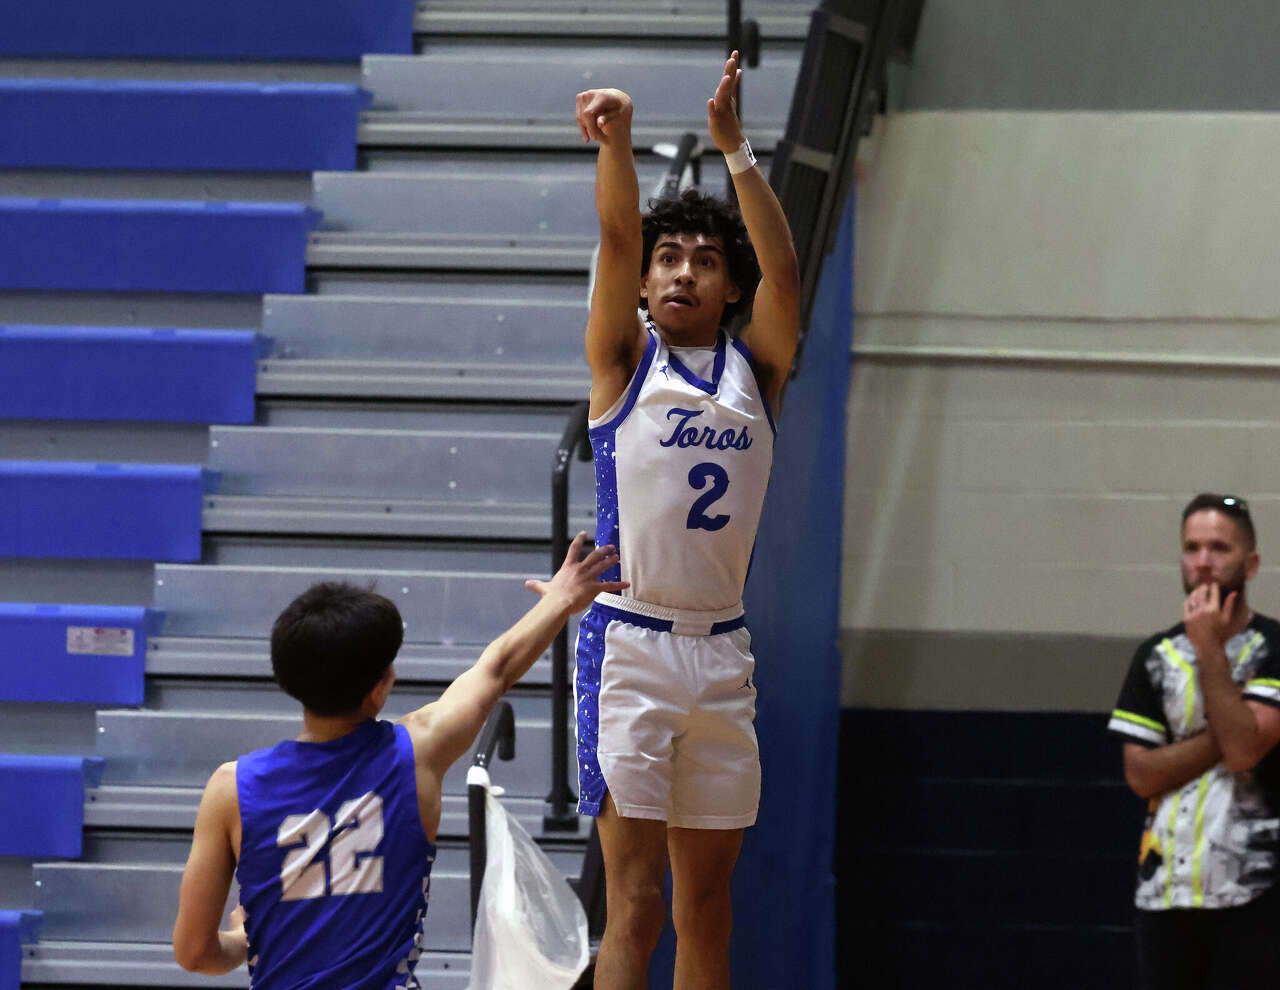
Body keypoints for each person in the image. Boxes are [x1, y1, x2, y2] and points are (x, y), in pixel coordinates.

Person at [572, 50, 800, 989]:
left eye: (705, 262)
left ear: (730, 289)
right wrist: (618, 142)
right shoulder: (625, 360)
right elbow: (615, 234)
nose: (682, 273)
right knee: (635, 904)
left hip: (722, 651)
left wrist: (736, 147)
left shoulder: (758, 371)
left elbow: (784, 269)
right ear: (643, 283)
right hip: (630, 644)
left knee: (707, 907)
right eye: (668, 259)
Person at [171, 534, 625, 987]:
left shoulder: (231, 788)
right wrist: (561, 599)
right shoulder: (416, 752)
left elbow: (194, 953)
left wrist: (242, 937)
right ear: (378, 689)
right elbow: (497, 669)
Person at [1108, 493, 1280, 987]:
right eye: (1192, 547)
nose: (1203, 561)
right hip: (1167, 894)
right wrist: (1230, 727)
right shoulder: (1154, 656)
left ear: (1251, 564)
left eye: (1219, 548)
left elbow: (1245, 752)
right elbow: (1141, 775)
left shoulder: (1274, 647)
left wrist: (1209, 649)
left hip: (1257, 893)